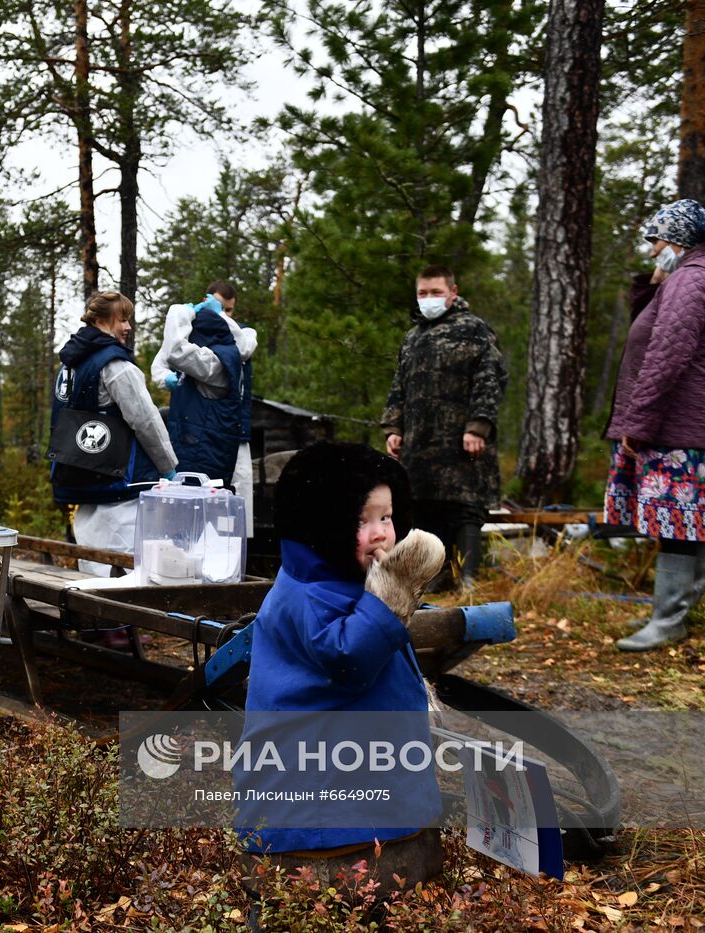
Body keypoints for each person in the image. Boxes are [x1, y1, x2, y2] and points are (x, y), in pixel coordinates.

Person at [235, 442, 447, 901]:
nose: (380, 534)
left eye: (387, 518)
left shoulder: (346, 586)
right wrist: (397, 590)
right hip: (318, 821)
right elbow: (349, 659)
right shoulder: (306, 595)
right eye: (360, 520)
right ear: (320, 523)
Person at [605, 199, 705, 651]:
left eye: (655, 242)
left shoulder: (695, 280)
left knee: (679, 521)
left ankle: (668, 620)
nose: (652, 250)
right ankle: (676, 614)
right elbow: (650, 328)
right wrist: (656, 282)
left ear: (678, 240)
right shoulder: (689, 277)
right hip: (681, 419)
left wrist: (638, 424)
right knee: (685, 520)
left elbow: (666, 357)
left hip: (674, 422)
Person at [381, 265, 508, 590]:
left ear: (453, 292)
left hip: (461, 439)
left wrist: (478, 427)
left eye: (436, 292)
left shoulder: (475, 329)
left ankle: (468, 579)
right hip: (420, 443)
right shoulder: (413, 337)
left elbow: (490, 378)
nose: (429, 299)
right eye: (423, 293)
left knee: (465, 508)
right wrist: (394, 427)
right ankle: (434, 575)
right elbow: (400, 386)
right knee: (424, 508)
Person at [49, 291, 179, 582]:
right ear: (102, 320)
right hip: (118, 479)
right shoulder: (115, 366)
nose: (128, 327)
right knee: (123, 559)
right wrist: (168, 467)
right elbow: (146, 420)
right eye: (123, 319)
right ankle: (121, 626)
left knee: (92, 555)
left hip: (79, 476)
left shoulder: (68, 366)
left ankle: (100, 626)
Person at [152, 282, 257, 534]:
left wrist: (215, 314)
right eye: (219, 307)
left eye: (229, 310)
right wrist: (164, 377)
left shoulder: (241, 336)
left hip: (235, 431)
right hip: (192, 428)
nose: (225, 314)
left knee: (233, 505)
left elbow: (244, 346)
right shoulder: (191, 331)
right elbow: (164, 359)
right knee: (196, 503)